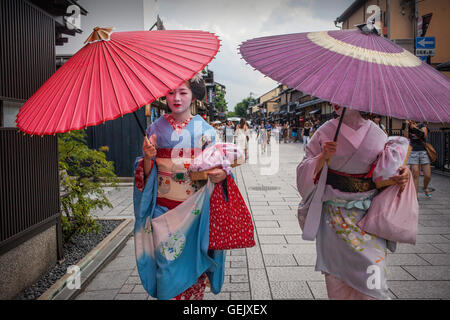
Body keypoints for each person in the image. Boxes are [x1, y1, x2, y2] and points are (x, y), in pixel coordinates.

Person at [296, 104, 413, 300]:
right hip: (334, 216)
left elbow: (385, 173)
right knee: (337, 278)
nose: (335, 101)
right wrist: (322, 157)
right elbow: (303, 169)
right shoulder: (325, 130)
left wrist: (402, 174)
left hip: (367, 216)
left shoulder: (377, 133)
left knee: (374, 273)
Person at [133, 74, 227, 300]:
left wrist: (219, 173)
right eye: (171, 92)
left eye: (183, 92)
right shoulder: (155, 128)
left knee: (194, 269)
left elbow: (220, 170)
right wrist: (147, 159)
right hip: (163, 210)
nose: (176, 98)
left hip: (195, 211)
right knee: (166, 267)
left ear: (194, 95)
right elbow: (146, 176)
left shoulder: (207, 131)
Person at [404, 120, 433, 197]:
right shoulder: (408, 126)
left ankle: (425, 187)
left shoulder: (422, 125)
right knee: (415, 174)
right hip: (413, 152)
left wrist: (415, 128)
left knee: (428, 175)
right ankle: (415, 197)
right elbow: (406, 137)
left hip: (423, 152)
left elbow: (424, 135)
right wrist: (407, 126)